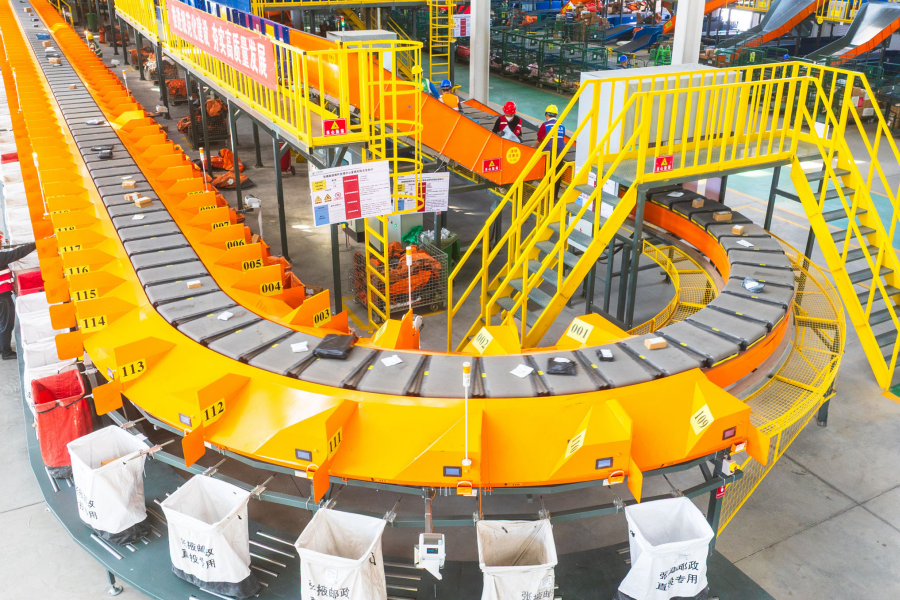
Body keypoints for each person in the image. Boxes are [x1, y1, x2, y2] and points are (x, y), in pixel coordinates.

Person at [0, 241, 37, 359]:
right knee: (6, 324)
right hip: (2, 296)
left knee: (2, 323)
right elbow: (17, 254)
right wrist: (35, 244)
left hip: (2, 295)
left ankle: (2, 348)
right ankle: (6, 353)